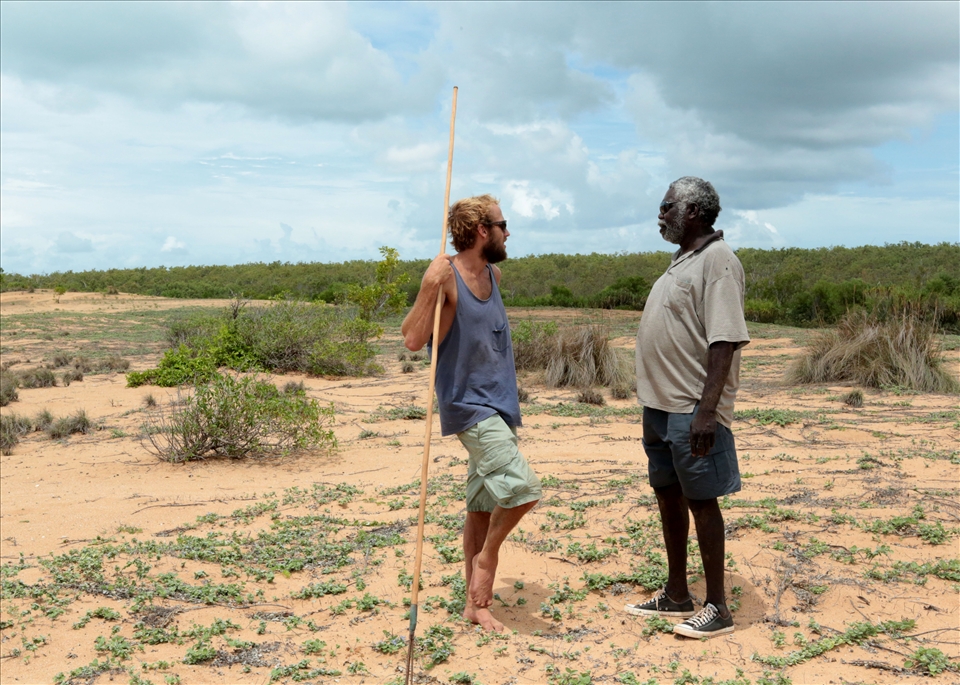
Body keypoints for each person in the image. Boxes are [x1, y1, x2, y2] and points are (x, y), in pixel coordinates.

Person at [402, 194, 541, 632]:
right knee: (522, 490)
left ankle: (474, 606)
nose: (508, 231)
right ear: (483, 231)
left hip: (501, 408)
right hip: (470, 408)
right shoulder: (446, 280)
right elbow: (411, 339)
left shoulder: (493, 275)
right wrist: (427, 286)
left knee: (480, 509)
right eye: (503, 224)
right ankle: (485, 562)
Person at [624, 177, 750, 639]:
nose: (660, 214)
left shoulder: (718, 261)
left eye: (666, 206)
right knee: (668, 496)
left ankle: (717, 607)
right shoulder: (683, 259)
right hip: (659, 407)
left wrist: (707, 412)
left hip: (690, 409)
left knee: (702, 501)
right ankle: (677, 593)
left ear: (694, 210)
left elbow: (725, 340)